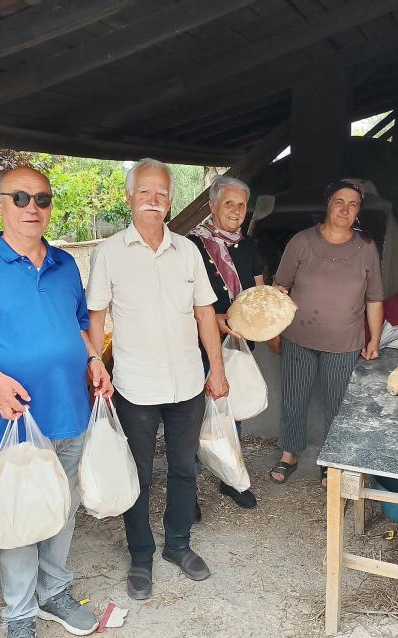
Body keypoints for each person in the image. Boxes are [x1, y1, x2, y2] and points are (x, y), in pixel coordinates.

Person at [0, 166, 112, 638]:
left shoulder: (65, 265)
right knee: (19, 511)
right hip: (14, 418)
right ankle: (19, 613)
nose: (32, 207)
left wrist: (94, 360)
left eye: (42, 198)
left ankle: (53, 590)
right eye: (20, 198)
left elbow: (79, 325)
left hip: (71, 408)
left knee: (62, 504)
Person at [86, 158, 229, 601]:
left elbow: (206, 313)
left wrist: (217, 368)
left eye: (162, 193)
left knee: (185, 469)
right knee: (140, 474)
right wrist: (97, 367)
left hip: (187, 382)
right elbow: (96, 318)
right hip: (134, 386)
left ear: (170, 201)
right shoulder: (109, 253)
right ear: (129, 197)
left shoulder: (187, 251)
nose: (154, 200)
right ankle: (142, 555)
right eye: (145, 192)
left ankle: (178, 545)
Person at [269, 180, 384, 487]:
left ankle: (331, 461)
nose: (345, 209)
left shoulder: (366, 247)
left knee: (338, 403)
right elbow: (280, 288)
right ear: (328, 204)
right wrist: (273, 329)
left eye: (353, 204)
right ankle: (290, 453)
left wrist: (374, 338)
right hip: (298, 336)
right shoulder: (302, 242)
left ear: (358, 211)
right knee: (294, 397)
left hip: (344, 342)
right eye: (339, 201)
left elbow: (374, 298)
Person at [187, 175, 264, 511]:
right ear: (212, 206)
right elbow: (181, 298)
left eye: (241, 204)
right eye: (228, 203)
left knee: (232, 409)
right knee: (191, 414)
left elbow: (258, 290)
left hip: (237, 342)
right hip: (197, 345)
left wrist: (271, 303)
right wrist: (213, 321)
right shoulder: (191, 245)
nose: (236, 210)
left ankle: (230, 479)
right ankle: (186, 489)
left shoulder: (249, 246)